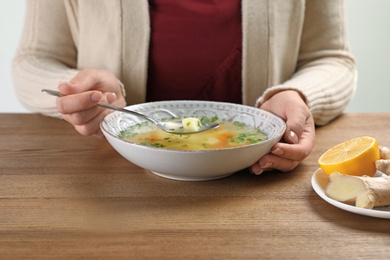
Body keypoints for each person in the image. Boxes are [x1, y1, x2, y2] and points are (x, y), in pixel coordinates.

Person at [12, 0, 356, 175]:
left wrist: (295, 94)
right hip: (115, 181)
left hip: (257, 179)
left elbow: (332, 59)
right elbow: (34, 60)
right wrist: (80, 92)